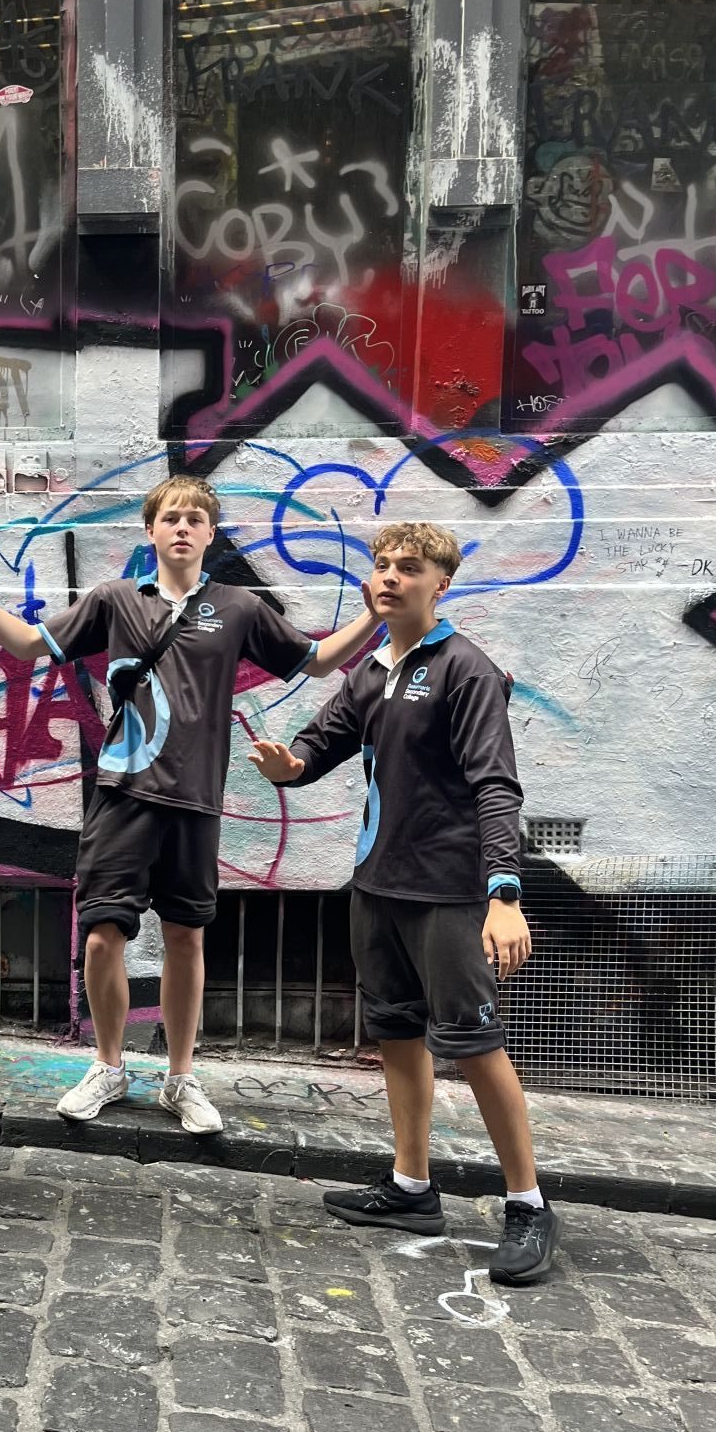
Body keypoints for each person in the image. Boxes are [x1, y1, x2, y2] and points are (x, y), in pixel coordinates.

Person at [0, 474, 376, 1135]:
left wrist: (375, 616)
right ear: (150, 530)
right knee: (101, 937)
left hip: (196, 798)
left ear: (210, 534)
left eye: (195, 519)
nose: (182, 527)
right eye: (171, 517)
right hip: (122, 793)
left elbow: (315, 661)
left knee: (185, 936)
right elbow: (31, 645)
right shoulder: (116, 599)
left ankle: (181, 1078)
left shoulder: (238, 606)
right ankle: (108, 1066)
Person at [249, 521, 556, 1286]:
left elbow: (496, 785)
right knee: (395, 1034)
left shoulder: (465, 670)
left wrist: (504, 893)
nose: (389, 577)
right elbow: (321, 743)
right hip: (376, 886)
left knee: (474, 1043)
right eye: (382, 565)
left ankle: (528, 1203)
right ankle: (412, 1187)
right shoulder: (372, 670)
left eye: (408, 567)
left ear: (440, 584)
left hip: (448, 892)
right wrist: (290, 766)